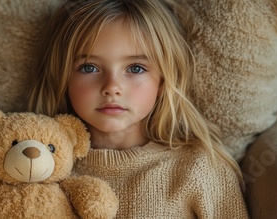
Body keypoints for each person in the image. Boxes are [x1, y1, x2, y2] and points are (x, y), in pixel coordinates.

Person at [28, 0, 249, 218]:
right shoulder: (34, 165)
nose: (112, 87)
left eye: (135, 68)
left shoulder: (200, 169)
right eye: (89, 67)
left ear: (163, 81)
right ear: (63, 78)